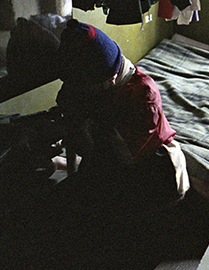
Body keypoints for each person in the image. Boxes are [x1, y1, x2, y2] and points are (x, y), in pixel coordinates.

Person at [54, 19, 189, 211]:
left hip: (151, 163)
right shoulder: (87, 82)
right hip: (115, 157)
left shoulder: (143, 95)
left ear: (110, 79)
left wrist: (81, 127)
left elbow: (122, 156)